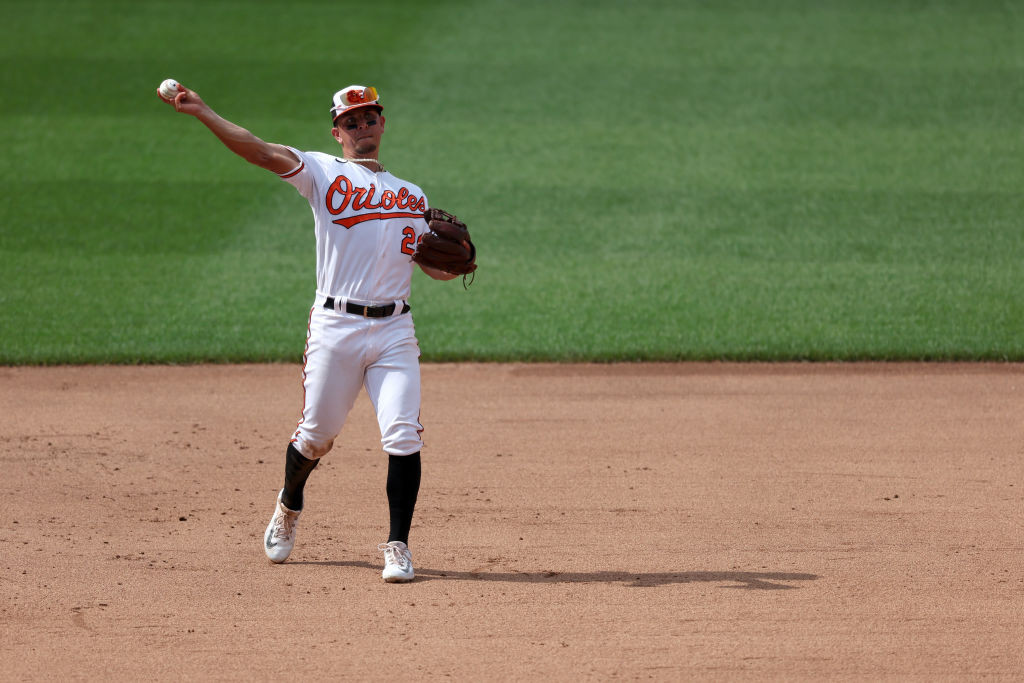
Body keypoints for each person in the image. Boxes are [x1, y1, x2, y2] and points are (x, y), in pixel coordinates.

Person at [159, 81, 462, 582]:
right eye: (351, 121)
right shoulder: (322, 171)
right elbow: (257, 150)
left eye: (370, 118)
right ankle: (288, 504)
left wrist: (457, 266)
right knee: (316, 437)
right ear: (337, 130)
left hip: (395, 331)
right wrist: (204, 112)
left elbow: (430, 268)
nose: (362, 127)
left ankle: (397, 546)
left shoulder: (413, 195)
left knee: (403, 435)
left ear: (382, 124)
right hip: (336, 327)